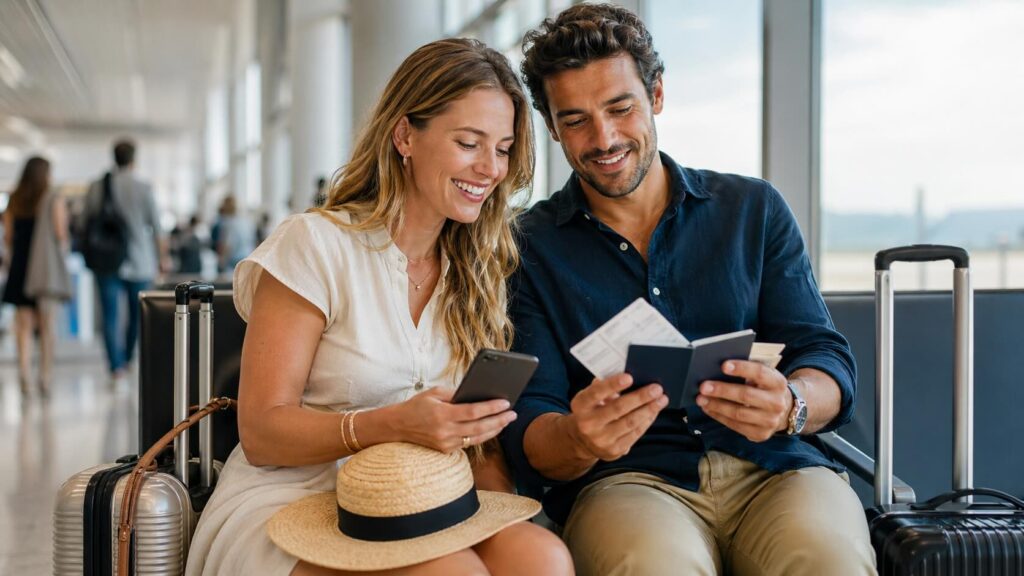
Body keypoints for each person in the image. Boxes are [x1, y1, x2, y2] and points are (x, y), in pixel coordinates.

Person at [499, 5, 876, 576]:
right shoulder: (529, 247)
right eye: (575, 120)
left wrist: (791, 404)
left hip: (775, 467)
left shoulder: (752, 210)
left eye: (620, 108)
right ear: (552, 128)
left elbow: (825, 357)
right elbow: (531, 423)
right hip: (628, 480)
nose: (603, 138)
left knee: (829, 557)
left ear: (656, 96)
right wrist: (579, 437)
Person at [186, 38, 572, 576]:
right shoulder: (316, 245)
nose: (490, 169)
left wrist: (499, 517)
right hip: (293, 499)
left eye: (504, 149)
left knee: (543, 559)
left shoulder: (477, 269)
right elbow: (262, 432)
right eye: (469, 143)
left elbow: (479, 445)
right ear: (405, 136)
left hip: (424, 500)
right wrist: (392, 424)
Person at [84, 139, 168, 381]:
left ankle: (115, 367)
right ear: (134, 158)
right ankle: (129, 358)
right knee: (138, 314)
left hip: (106, 261)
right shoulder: (143, 187)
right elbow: (157, 228)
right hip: (140, 260)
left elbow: (85, 223)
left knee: (109, 315)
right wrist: (162, 258)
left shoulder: (97, 187)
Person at [2, 156, 71, 397]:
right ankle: (45, 376)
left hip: (20, 268)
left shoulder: (14, 199)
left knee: (22, 326)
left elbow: (8, 237)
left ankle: (24, 376)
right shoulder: (53, 198)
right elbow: (61, 234)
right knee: (46, 325)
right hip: (44, 270)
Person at [214, 195, 255, 275]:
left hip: (233, 262)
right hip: (247, 258)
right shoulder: (246, 221)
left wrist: (221, 261)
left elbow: (228, 245)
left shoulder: (227, 223)